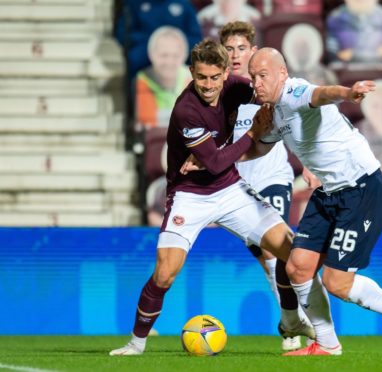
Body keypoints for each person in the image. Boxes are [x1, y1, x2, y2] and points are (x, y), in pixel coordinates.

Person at [109, 39, 314, 356]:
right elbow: (216, 161)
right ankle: (136, 344)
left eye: (214, 77)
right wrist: (251, 134)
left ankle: (290, 321)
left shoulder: (235, 86)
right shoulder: (186, 110)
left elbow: (273, 94)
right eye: (201, 77)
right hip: (190, 195)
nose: (208, 85)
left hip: (230, 189)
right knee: (165, 273)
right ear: (191, 73)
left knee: (290, 250)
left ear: (224, 74)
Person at [245, 48, 382, 356]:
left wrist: (348, 92)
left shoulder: (294, 92)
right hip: (329, 193)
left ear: (281, 73)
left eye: (262, 76)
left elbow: (322, 94)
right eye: (252, 77)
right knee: (298, 268)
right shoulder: (273, 112)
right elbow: (257, 150)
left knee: (337, 282)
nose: (256, 83)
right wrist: (226, 153)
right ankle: (327, 344)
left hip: (362, 189)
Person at [218, 21, 303, 351]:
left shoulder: (266, 86)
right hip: (237, 187)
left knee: (276, 247)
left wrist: (307, 165)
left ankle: (297, 321)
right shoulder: (220, 93)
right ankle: (291, 319)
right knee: (266, 259)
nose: (235, 55)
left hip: (272, 178)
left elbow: (295, 121)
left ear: (252, 51)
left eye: (241, 48)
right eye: (229, 50)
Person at [114, 0, 203, 81]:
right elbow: (122, 34)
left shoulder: (184, 4)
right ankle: (136, 95)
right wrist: (152, 42)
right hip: (145, 50)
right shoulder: (133, 4)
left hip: (178, 52)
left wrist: (177, 43)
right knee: (134, 58)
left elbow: (196, 37)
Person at [135, 26, 193, 129]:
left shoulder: (192, 79)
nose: (169, 62)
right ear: (152, 55)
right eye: (164, 55)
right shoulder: (143, 80)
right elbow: (147, 124)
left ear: (183, 56)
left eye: (175, 56)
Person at [325, 0, 382, 66]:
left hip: (379, 68)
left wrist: (352, 55)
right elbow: (334, 52)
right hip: (346, 69)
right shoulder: (336, 17)